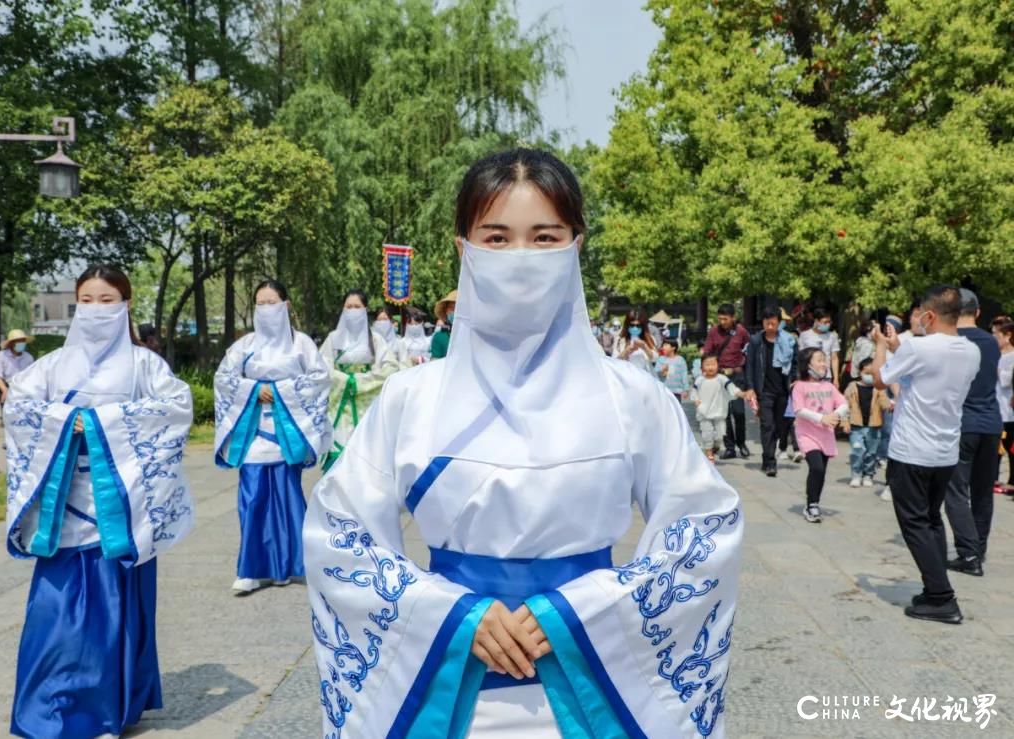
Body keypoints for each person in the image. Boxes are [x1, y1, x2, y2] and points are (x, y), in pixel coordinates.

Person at [304, 148, 742, 737]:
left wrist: (577, 615)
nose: (520, 258)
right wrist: (455, 616)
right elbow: (339, 532)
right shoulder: (412, 397)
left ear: (575, 246)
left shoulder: (633, 396)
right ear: (464, 249)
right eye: (497, 237)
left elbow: (705, 529)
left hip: (595, 691)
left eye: (543, 238)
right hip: (448, 686)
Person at [3, 265, 195, 737]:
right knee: (54, 616)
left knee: (112, 610)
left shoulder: (145, 365)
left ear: (126, 303)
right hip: (62, 500)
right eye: (86, 299)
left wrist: (103, 425)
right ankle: (48, 711)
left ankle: (103, 712)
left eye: (107, 299)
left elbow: (175, 409)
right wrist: (70, 425)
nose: (96, 308)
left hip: (120, 504)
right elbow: (20, 409)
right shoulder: (48, 366)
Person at [213, 280, 333, 595]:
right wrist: (254, 390)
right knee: (252, 497)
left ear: (286, 305)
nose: (266, 309)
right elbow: (223, 378)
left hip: (287, 427)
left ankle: (291, 566)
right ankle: (250, 568)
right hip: (253, 428)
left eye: (272, 302)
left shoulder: (302, 344)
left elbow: (320, 379)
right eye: (261, 303)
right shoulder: (244, 345)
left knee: (288, 497)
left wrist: (279, 392)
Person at [872, 285, 981, 624]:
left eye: (919, 314)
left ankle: (941, 598)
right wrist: (898, 347)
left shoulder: (920, 347)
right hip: (945, 452)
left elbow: (879, 379)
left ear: (930, 315)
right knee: (932, 520)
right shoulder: (971, 350)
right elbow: (928, 369)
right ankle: (935, 590)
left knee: (915, 524)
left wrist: (880, 346)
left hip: (912, 450)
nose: (916, 319)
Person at [940, 289, 1002, 577]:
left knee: (955, 490)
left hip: (962, 424)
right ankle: (979, 547)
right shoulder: (992, 342)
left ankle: (968, 553)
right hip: (991, 423)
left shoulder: (951, 342)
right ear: (977, 312)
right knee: (982, 491)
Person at [319, 290, 400, 470]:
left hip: (367, 409)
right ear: (343, 310)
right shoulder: (333, 339)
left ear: (365, 310)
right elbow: (320, 368)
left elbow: (390, 369)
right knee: (336, 464)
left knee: (366, 464)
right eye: (349, 307)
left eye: (357, 307)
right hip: (337, 409)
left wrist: (360, 382)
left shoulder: (376, 340)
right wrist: (344, 380)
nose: (353, 310)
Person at [791, 348, 849, 523]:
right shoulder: (799, 386)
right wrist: (822, 418)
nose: (824, 364)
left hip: (826, 435)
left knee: (821, 471)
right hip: (807, 435)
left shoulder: (829, 386)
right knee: (816, 467)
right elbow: (799, 410)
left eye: (824, 360)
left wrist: (836, 416)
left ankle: (814, 502)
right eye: (819, 360)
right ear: (807, 364)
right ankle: (812, 505)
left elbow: (844, 403)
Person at [743, 307, 797, 477]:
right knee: (767, 425)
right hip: (764, 390)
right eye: (766, 321)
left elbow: (795, 363)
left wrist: (796, 380)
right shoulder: (756, 341)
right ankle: (770, 461)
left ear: (779, 322)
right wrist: (750, 387)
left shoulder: (789, 341)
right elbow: (749, 365)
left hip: (783, 390)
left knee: (781, 427)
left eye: (773, 321)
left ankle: (769, 457)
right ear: (763, 323)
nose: (770, 324)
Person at [702, 303, 751, 459]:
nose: (722, 322)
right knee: (725, 413)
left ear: (733, 318)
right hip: (721, 377)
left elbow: (749, 350)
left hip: (737, 375)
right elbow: (707, 352)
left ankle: (741, 443)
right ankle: (729, 447)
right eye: (720, 318)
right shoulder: (714, 332)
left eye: (725, 319)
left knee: (739, 412)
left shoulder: (741, 331)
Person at [844, 358, 890, 487]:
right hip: (856, 425)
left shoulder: (878, 388)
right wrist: (845, 422)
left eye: (872, 374)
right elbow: (844, 405)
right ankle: (856, 474)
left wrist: (890, 404)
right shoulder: (852, 386)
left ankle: (868, 474)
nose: (869, 376)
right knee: (857, 451)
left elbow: (885, 403)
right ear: (860, 372)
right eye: (867, 373)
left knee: (871, 452)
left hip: (873, 426)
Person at [694, 354, 746, 464]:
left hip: (719, 412)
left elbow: (732, 388)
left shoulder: (722, 379)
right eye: (707, 365)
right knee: (707, 434)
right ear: (702, 367)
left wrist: (742, 394)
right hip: (704, 412)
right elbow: (694, 392)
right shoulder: (700, 380)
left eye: (713, 364)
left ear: (718, 365)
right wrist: (695, 399)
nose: (710, 367)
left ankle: (714, 446)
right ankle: (709, 455)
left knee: (720, 436)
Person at [798, 308, 842, 386]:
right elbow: (801, 357)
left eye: (829, 322)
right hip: (809, 376)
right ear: (817, 321)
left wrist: (836, 378)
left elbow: (834, 358)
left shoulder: (832, 336)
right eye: (825, 322)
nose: (828, 324)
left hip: (826, 376)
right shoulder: (805, 335)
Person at [994, 319, 1014, 490]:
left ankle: (1012, 481)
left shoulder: (1012, 357)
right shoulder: (996, 355)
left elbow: (1007, 381)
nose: (995, 338)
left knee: (1010, 446)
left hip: (1009, 410)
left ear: (1008, 336)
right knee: (996, 447)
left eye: (997, 335)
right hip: (995, 408)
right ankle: (993, 479)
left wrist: (995, 369)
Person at [0, 329, 35, 404]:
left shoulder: (29, 357)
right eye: (18, 341)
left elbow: (32, 377)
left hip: (23, 390)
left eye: (23, 341)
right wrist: (5, 390)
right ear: (11, 343)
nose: (21, 343)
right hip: (6, 387)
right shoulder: (1, 356)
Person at [612, 308, 656, 374]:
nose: (635, 328)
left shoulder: (650, 339)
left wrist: (645, 347)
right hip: (627, 377)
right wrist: (626, 351)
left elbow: (654, 359)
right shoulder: (619, 339)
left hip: (646, 377)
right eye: (632, 325)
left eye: (638, 325)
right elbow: (614, 360)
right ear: (627, 325)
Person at [431, 289, 458, 359]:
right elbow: (435, 364)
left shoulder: (475, 336)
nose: (455, 311)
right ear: (446, 311)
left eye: (458, 308)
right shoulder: (440, 337)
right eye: (452, 308)